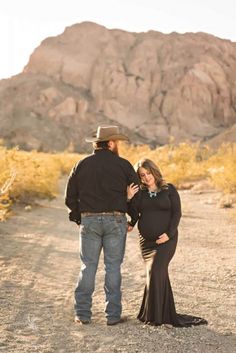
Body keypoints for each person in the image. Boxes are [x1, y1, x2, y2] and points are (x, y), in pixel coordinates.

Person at [65, 125, 139, 326]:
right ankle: (112, 316)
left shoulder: (81, 164)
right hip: (116, 220)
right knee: (113, 267)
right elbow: (136, 194)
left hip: (89, 221)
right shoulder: (124, 165)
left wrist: (78, 218)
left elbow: (70, 196)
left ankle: (82, 314)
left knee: (88, 266)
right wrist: (132, 218)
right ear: (111, 143)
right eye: (118, 143)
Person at [127, 158, 207, 327]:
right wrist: (129, 198)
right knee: (154, 272)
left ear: (154, 171)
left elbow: (177, 214)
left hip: (167, 240)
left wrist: (168, 235)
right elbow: (134, 214)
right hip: (147, 242)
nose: (146, 177)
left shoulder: (169, 189)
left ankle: (156, 316)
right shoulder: (139, 193)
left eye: (148, 173)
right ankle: (158, 313)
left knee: (157, 269)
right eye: (142, 175)